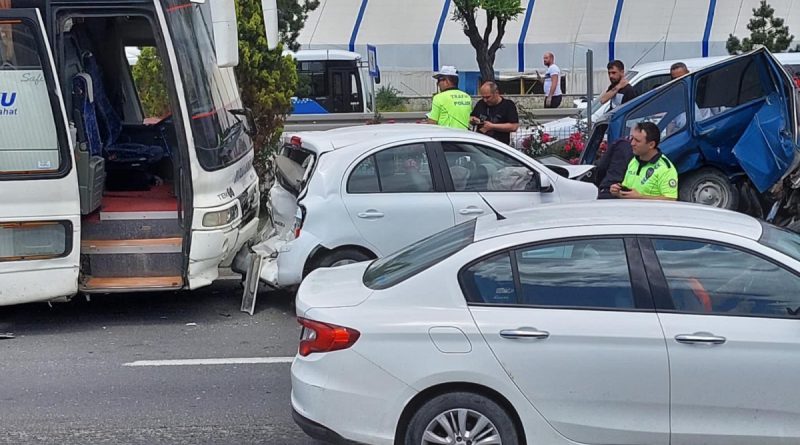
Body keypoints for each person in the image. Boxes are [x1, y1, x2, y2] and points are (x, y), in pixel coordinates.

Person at [611, 122, 678, 201]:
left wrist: (640, 197)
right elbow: (629, 191)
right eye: (632, 138)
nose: (632, 143)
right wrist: (618, 191)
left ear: (651, 145)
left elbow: (671, 199)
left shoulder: (665, 169)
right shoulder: (634, 160)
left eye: (637, 141)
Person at [427, 65, 472, 130]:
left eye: (439, 80)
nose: (438, 84)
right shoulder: (467, 97)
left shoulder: (439, 98)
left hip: (447, 137)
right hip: (464, 137)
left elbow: (432, 124)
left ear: (447, 81)